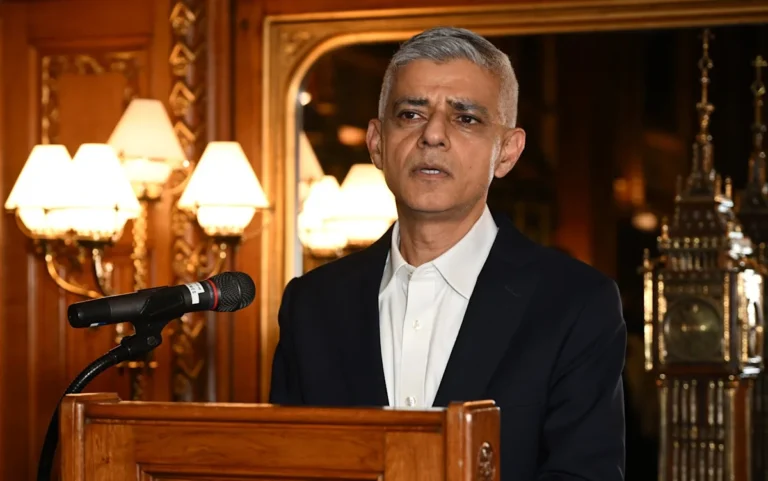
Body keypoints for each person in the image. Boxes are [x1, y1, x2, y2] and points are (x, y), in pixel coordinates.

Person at [270, 26, 626, 481]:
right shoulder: (311, 304)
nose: (433, 135)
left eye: (466, 119)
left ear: (508, 152)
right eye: (411, 114)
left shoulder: (575, 304)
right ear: (377, 142)